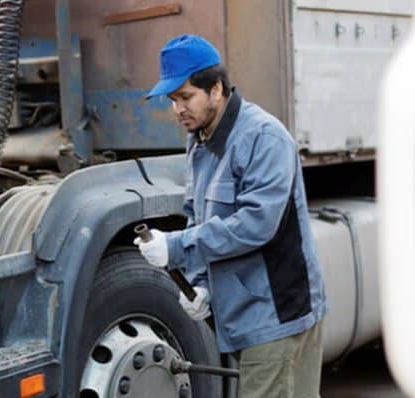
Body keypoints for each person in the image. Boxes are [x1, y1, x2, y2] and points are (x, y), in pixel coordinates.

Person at [134, 34, 328, 397]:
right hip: (245, 314)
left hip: (276, 316)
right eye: (173, 100)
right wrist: (200, 281)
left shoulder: (263, 137)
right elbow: (197, 215)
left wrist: (176, 247)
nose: (178, 110)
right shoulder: (200, 141)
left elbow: (257, 223)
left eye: (186, 96)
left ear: (216, 89)